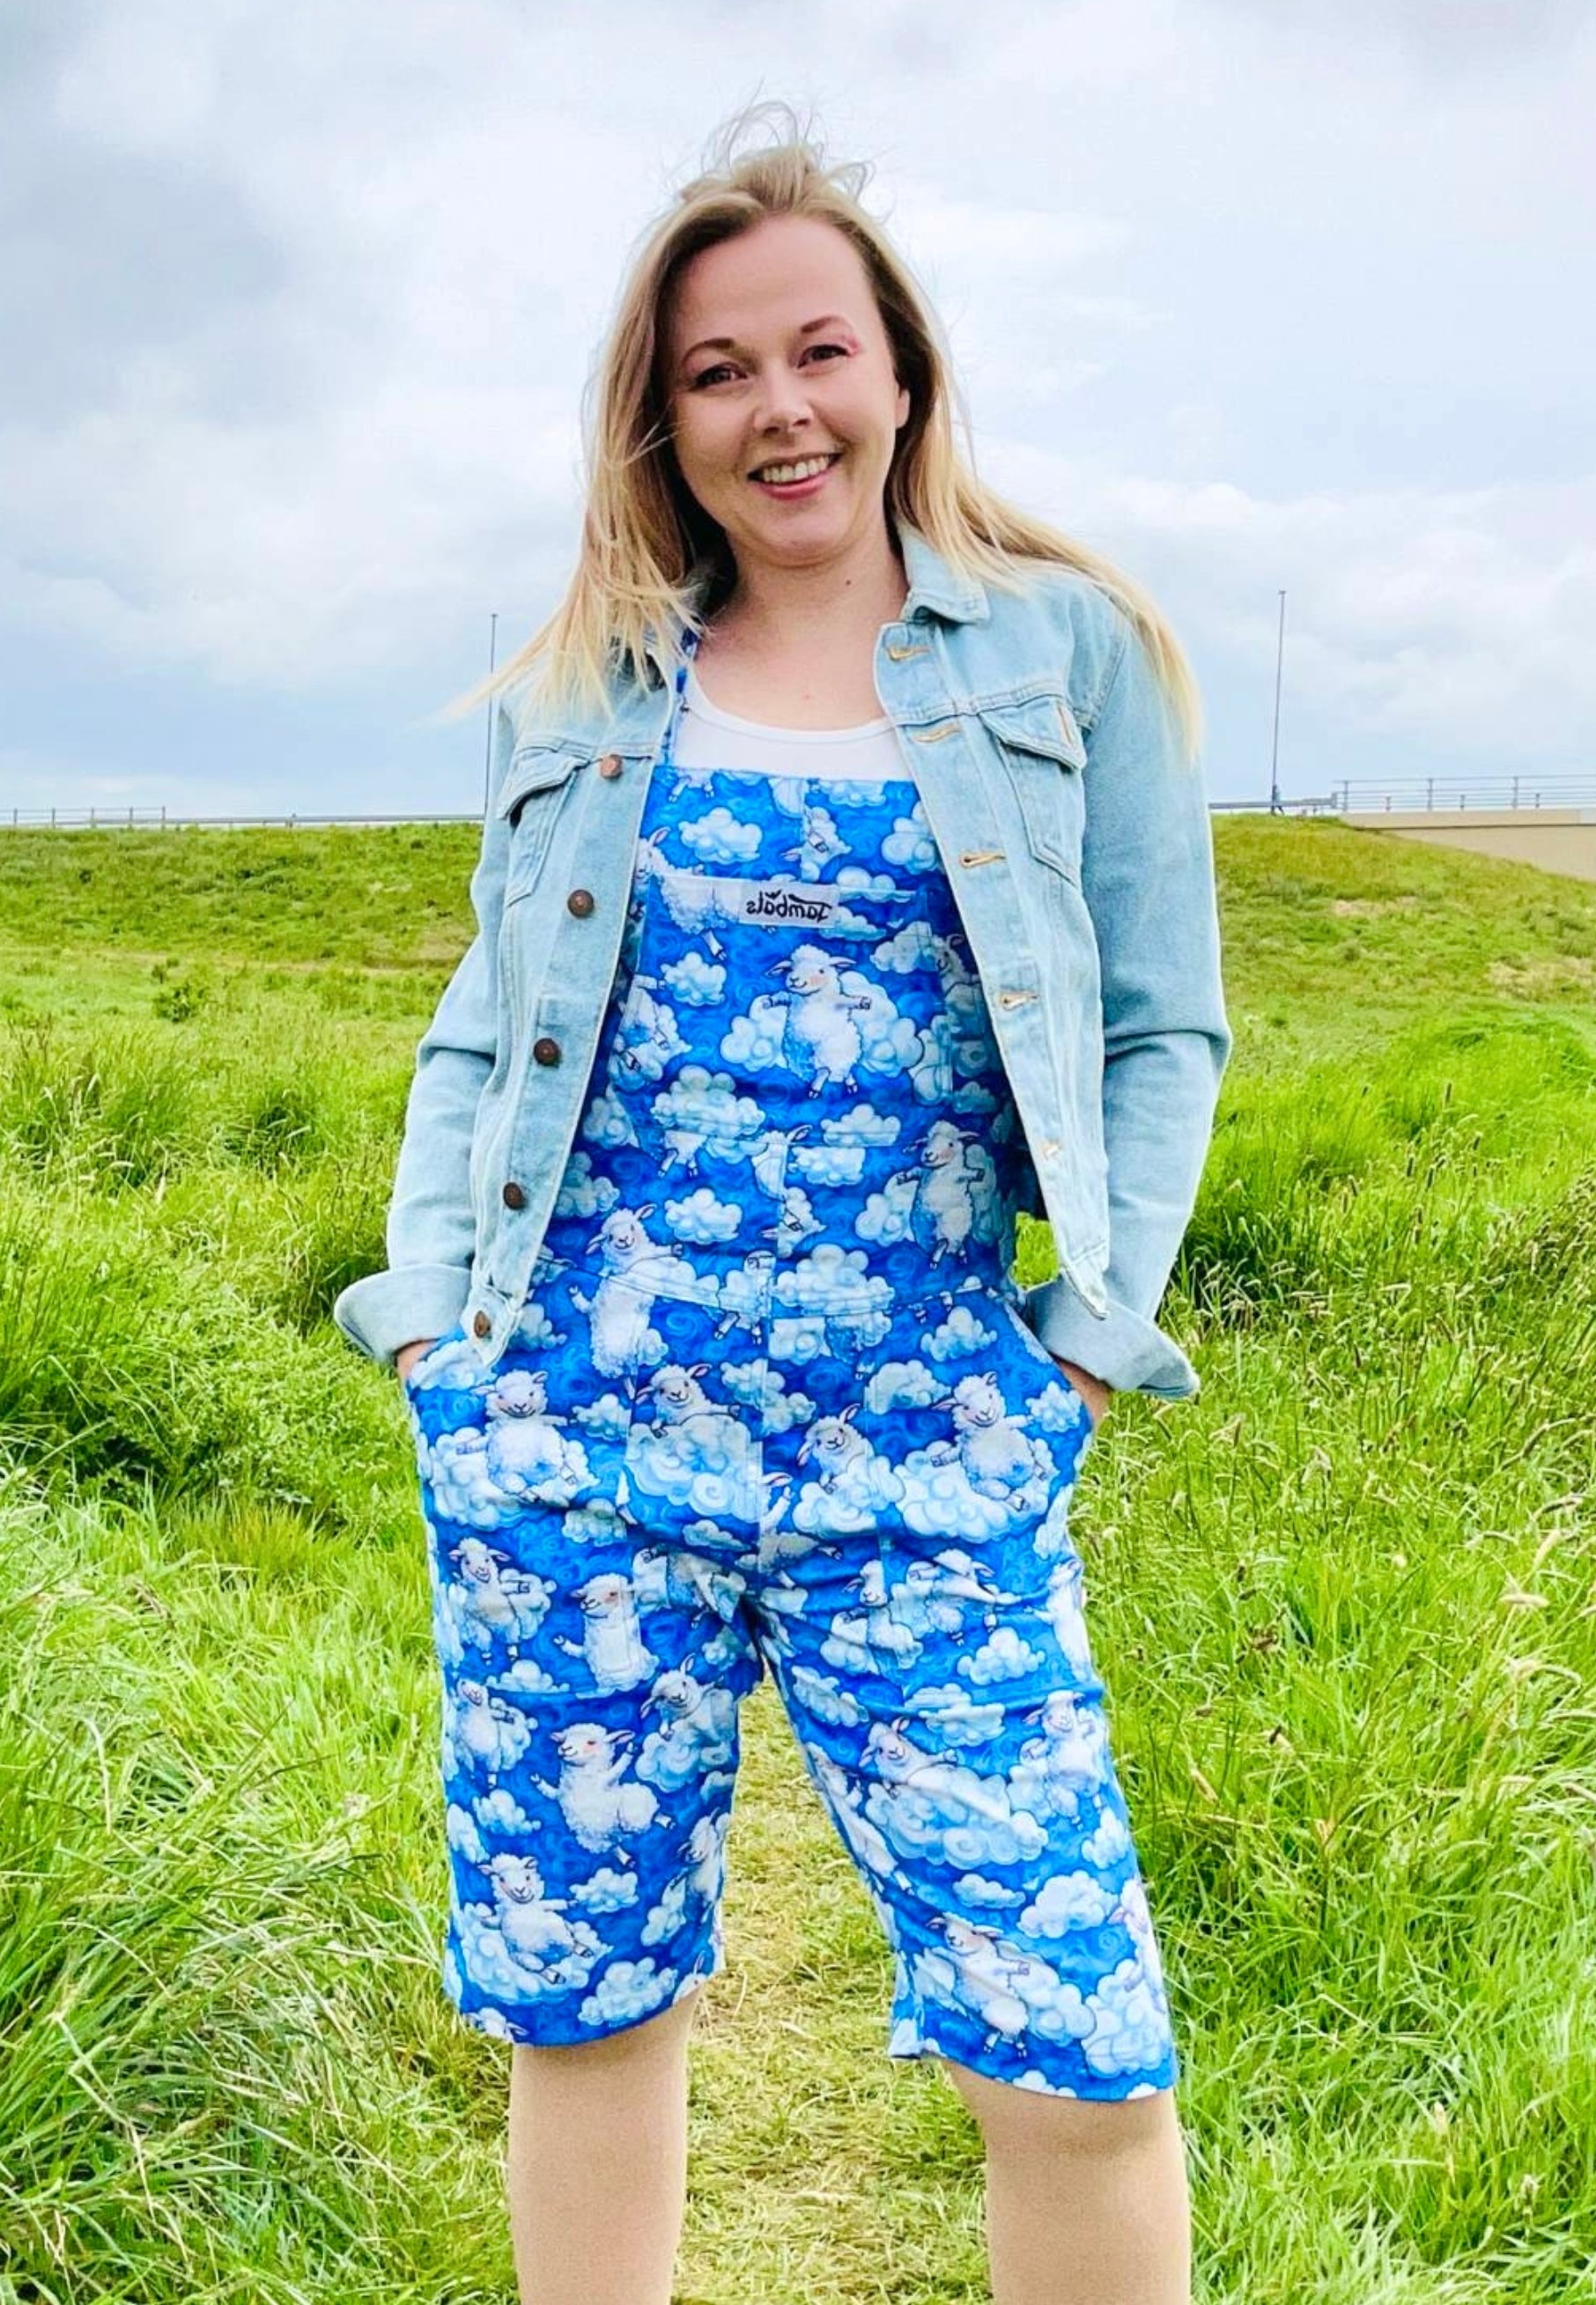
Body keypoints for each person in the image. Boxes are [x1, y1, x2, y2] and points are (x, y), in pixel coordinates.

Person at [334, 100, 1230, 2305]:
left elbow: (1156, 1031)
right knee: (585, 1999)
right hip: (573, 1432)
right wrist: (445, 1342)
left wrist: (1081, 1357)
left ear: (901, 368)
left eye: (815, 351)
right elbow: (486, 1023)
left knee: (1077, 2047)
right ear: (665, 417)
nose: (778, 409)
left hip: (932, 1436)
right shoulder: (590, 680)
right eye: (717, 371)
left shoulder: (1067, 653)